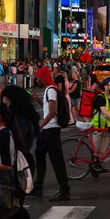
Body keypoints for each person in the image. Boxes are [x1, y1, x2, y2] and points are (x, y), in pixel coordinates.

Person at [0, 103, 44, 219]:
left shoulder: (3, 135)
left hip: (3, 185)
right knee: (15, 214)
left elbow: (6, 164)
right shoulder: (3, 134)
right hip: (5, 184)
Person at [30, 68, 70, 201]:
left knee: (56, 160)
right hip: (48, 129)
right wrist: (38, 100)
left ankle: (64, 190)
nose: (36, 80)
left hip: (51, 130)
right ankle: (38, 186)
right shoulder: (50, 90)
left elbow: (52, 112)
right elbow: (48, 108)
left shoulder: (51, 89)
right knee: (39, 154)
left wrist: (40, 125)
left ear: (43, 78)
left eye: (38, 78)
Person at [1, 85, 40, 175]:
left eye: (6, 105)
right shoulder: (26, 116)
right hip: (24, 162)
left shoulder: (21, 122)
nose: (5, 109)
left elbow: (13, 143)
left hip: (20, 165)